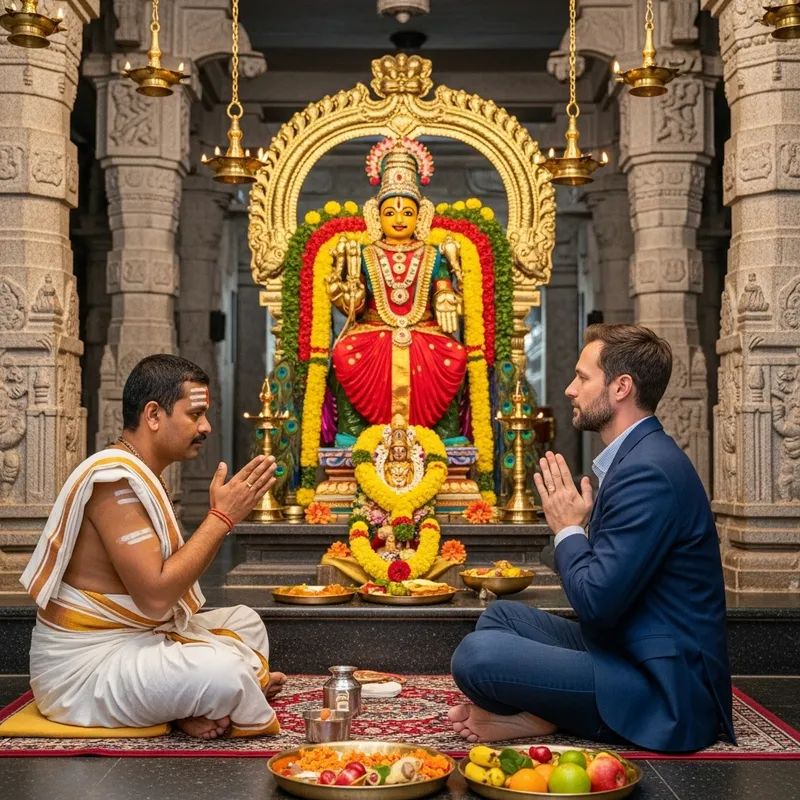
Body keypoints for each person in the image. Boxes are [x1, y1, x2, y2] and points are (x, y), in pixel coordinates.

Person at [449, 324, 735, 753]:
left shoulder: (648, 472)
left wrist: (567, 529)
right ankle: (540, 713)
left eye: (583, 378)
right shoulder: (638, 456)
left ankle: (543, 712)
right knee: (500, 618)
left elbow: (597, 604)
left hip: (666, 691)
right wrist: (574, 530)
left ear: (621, 387)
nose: (569, 389)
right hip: (623, 647)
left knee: (477, 656)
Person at [22, 355, 286, 740]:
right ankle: (196, 701)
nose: (206, 426)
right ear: (153, 414)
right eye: (195, 414)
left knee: (246, 622)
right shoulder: (114, 482)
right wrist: (222, 519)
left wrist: (220, 518)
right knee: (225, 674)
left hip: (135, 640)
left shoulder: (139, 473)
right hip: (84, 668)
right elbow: (156, 597)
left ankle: (181, 707)